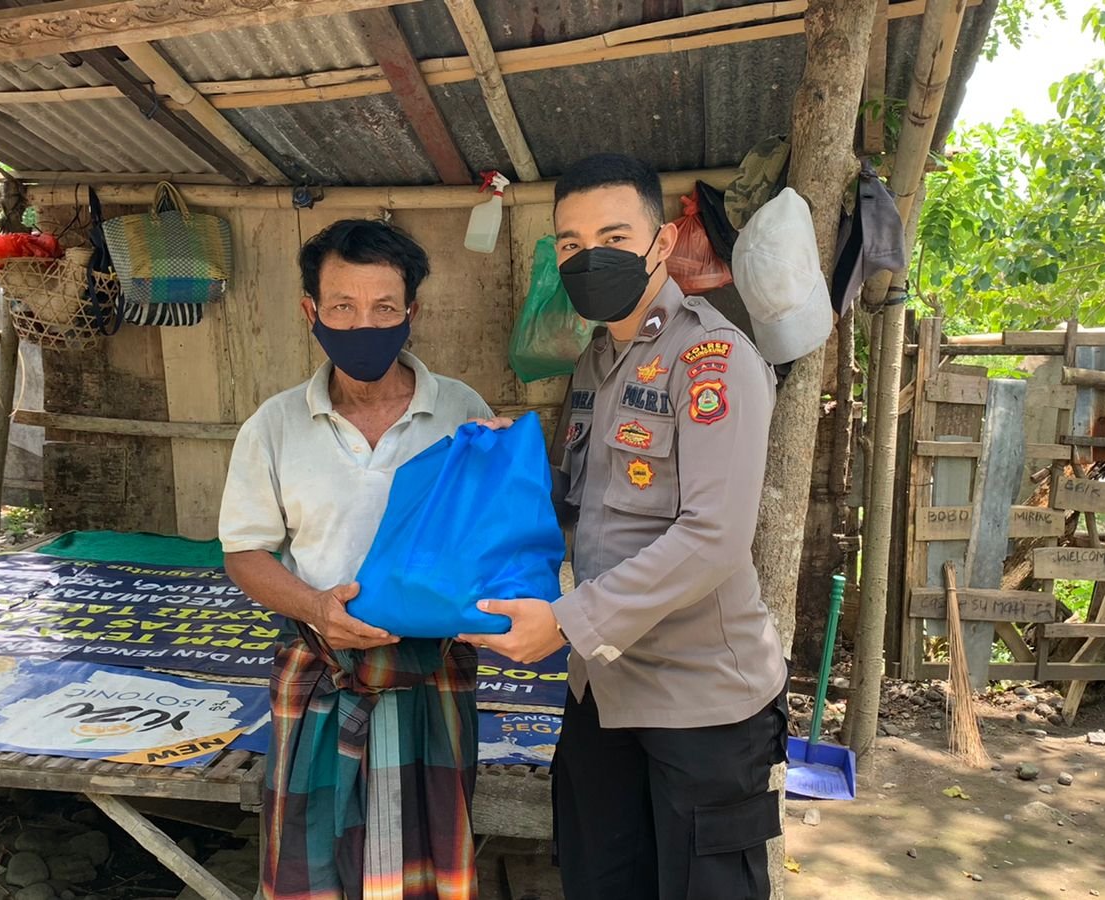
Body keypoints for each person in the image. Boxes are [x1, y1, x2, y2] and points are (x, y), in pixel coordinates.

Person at [461, 154, 790, 900]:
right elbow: (582, 501)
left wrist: (564, 623)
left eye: (613, 237)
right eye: (571, 244)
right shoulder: (596, 362)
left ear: (662, 242)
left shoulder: (710, 359)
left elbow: (714, 537)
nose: (591, 257)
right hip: (604, 689)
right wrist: (506, 465)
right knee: (599, 880)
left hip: (700, 700)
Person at [219, 218, 498, 900]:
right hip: (321, 668)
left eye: (383, 308)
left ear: (411, 314)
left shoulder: (462, 413)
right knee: (311, 865)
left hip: (430, 673)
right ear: (310, 310)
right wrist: (316, 607)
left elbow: (491, 539)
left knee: (425, 870)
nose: (362, 324)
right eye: (342, 306)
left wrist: (501, 464)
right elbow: (244, 552)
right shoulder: (274, 425)